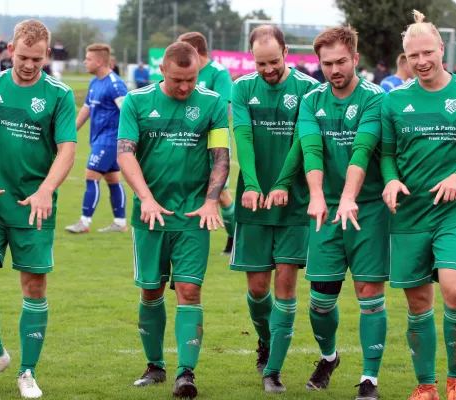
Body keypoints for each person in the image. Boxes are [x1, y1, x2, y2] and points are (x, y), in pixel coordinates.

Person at [381, 10, 456, 400]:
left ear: (442, 49)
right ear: (406, 56)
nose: (421, 61)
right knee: (418, 304)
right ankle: (426, 386)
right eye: (414, 55)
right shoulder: (395, 100)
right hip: (409, 213)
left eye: (428, 52)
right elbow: (386, 153)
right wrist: (391, 178)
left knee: (455, 292)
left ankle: (455, 380)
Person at [0, 19, 77, 399]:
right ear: (10, 50)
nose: (29, 65)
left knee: (34, 286)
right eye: (23, 57)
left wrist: (46, 190)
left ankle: (27, 371)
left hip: (34, 208)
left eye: (37, 59)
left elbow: (67, 149)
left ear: (48, 54)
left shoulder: (59, 94)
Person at [117, 42, 230, 398]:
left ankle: (186, 373)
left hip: (194, 213)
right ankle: (155, 366)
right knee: (150, 291)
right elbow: (126, 155)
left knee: (189, 290)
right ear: (163, 71)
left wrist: (212, 201)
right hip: (150, 215)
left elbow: (221, 157)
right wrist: (146, 199)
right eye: (179, 80)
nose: (185, 87)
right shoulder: (136, 102)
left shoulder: (211, 102)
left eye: (192, 79)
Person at [298, 26, 389, 400]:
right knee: (320, 300)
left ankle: (370, 380)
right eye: (326, 63)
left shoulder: (374, 98)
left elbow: (363, 149)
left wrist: (350, 196)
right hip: (327, 209)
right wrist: (318, 196)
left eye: (340, 62)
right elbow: (312, 149)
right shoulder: (312, 100)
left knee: (369, 293)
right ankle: (329, 356)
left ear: (355, 59)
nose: (333, 70)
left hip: (367, 209)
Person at [230, 25, 319, 393]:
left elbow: (303, 139)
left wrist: (282, 184)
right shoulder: (241, 88)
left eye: (274, 61)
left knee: (285, 283)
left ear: (286, 52)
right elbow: (243, 137)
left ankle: (273, 370)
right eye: (260, 62)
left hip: (294, 201)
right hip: (253, 201)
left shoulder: (308, 90)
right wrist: (252, 185)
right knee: (257, 288)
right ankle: (265, 339)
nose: (268, 69)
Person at [178, 31, 236, 254]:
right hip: (187, 140)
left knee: (219, 193)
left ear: (195, 51)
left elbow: (220, 108)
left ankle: (234, 238)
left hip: (213, 139)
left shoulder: (218, 72)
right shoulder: (185, 73)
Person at [65, 44, 129, 233]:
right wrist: (71, 131)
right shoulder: (95, 82)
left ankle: (84, 222)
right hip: (98, 139)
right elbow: (86, 109)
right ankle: (120, 223)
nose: (85, 62)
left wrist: (128, 141)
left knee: (91, 175)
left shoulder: (115, 85)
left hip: (109, 141)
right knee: (113, 179)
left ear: (100, 61)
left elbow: (127, 113)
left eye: (88, 59)